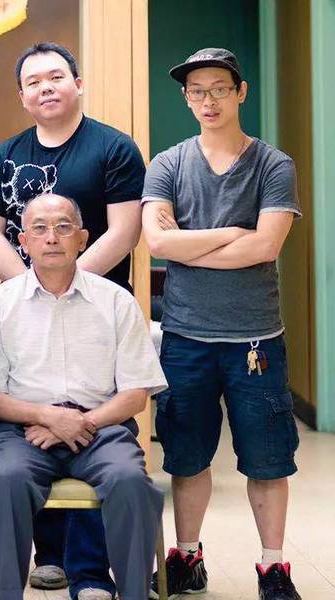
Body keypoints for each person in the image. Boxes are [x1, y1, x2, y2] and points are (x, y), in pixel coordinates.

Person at [0, 41, 146, 599]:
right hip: (23, 302)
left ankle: (91, 572)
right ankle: (48, 562)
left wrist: (69, 278)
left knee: (104, 448)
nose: (45, 87)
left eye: (56, 76)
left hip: (93, 299)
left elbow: (124, 229)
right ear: (22, 95)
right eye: (33, 81)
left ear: (77, 82)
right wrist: (30, 285)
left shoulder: (113, 148)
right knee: (26, 443)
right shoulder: (5, 153)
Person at [141, 48, 301, 600]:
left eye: (218, 89)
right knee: (186, 455)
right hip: (185, 335)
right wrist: (233, 234)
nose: (208, 100)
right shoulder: (168, 164)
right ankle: (187, 557)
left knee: (267, 458)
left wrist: (192, 244)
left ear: (240, 92)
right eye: (196, 92)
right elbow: (157, 242)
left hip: (255, 337)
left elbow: (266, 245)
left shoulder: (273, 165)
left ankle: (273, 567)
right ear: (186, 99)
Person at [0, 193, 166, 600]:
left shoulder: (116, 301)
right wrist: (48, 417)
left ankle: (134, 592)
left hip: (101, 427)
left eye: (63, 227)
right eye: (39, 228)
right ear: (23, 242)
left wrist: (82, 422)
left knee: (131, 481)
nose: (52, 237)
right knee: (6, 482)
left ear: (82, 238)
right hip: (22, 432)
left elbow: (136, 393)